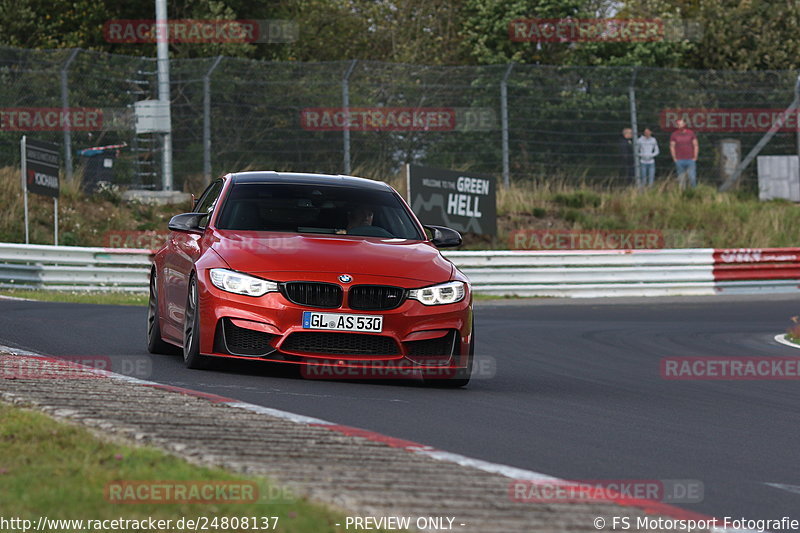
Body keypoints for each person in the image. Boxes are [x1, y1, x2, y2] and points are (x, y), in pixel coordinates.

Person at [670, 118, 699, 188]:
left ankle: (693, 193)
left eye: (681, 124)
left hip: (690, 159)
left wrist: (695, 157)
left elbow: (696, 145)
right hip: (679, 160)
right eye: (678, 124)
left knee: (692, 178)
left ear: (684, 124)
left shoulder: (691, 133)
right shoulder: (674, 135)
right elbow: (672, 146)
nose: (680, 126)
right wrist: (674, 158)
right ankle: (682, 194)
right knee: (681, 180)